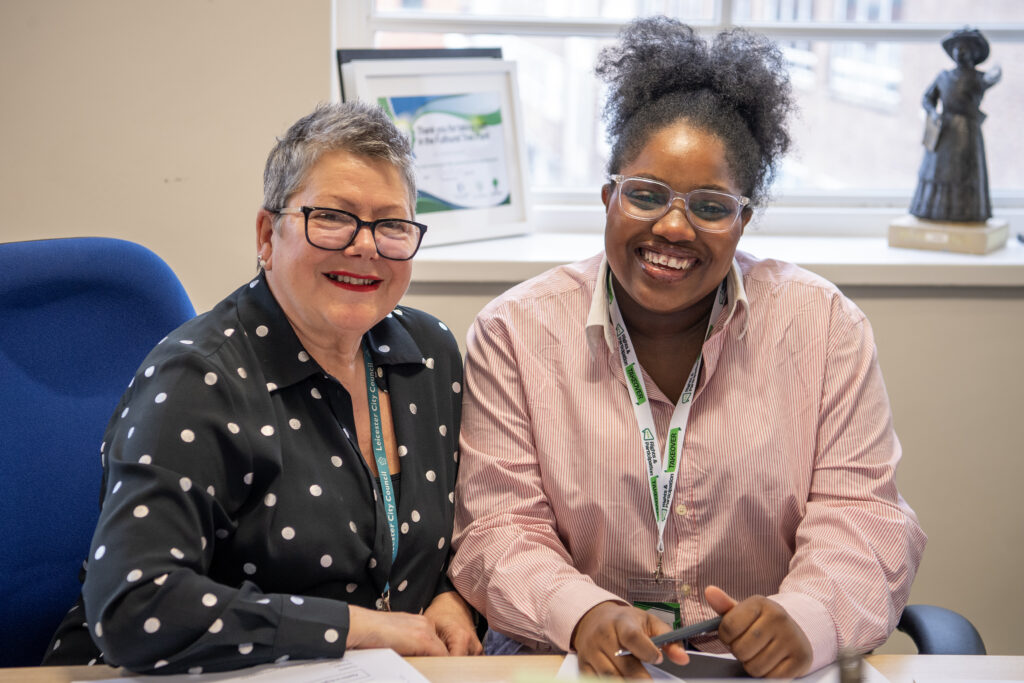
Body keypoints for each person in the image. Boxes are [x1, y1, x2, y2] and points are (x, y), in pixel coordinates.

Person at [450, 17, 926, 679]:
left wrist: (807, 616)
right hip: (580, 664)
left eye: (709, 205)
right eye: (645, 195)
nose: (673, 227)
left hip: (757, 672)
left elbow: (862, 514)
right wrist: (582, 610)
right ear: (608, 197)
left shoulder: (824, 326)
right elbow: (499, 525)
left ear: (743, 220)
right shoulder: (515, 331)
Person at [43, 102, 481, 674]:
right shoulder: (199, 378)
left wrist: (453, 594)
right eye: (332, 216)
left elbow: (450, 534)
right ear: (267, 235)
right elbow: (135, 607)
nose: (366, 246)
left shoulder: (428, 355)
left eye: (392, 225)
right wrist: (361, 628)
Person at [909, 27, 1001, 222]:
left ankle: (966, 212)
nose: (960, 51)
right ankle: (932, 209)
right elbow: (928, 98)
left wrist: (996, 73)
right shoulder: (944, 77)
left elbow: (991, 78)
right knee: (936, 172)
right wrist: (933, 112)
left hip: (967, 132)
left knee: (964, 173)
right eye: (957, 48)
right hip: (944, 131)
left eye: (965, 48)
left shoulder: (977, 78)